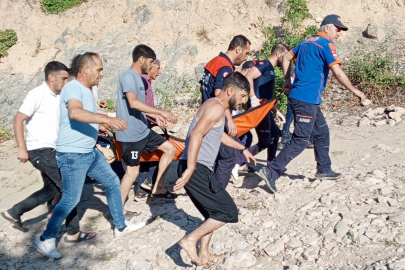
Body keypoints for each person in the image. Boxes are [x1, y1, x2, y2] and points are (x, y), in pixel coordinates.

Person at [34, 52, 145, 259]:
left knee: (112, 182)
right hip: (72, 154)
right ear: (86, 69)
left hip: (89, 151)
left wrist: (102, 124)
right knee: (70, 199)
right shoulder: (72, 87)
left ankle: (120, 227)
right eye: (99, 69)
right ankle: (45, 239)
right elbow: (75, 113)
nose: (101, 74)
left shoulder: (85, 89)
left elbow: (83, 119)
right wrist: (107, 120)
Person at [259, 15, 366, 193]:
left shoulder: (306, 42)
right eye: (337, 29)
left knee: (322, 132)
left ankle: (323, 169)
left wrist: (287, 79)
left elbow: (286, 57)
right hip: (305, 99)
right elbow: (338, 73)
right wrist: (355, 90)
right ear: (326, 28)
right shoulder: (326, 45)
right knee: (300, 140)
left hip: (307, 99)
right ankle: (271, 171)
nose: (339, 33)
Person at [1, 61, 96, 243]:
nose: (66, 82)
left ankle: (14, 212)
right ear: (51, 77)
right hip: (40, 150)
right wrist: (22, 148)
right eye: (63, 78)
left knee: (52, 188)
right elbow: (18, 119)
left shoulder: (59, 96)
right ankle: (73, 233)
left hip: (54, 149)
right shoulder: (37, 94)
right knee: (69, 189)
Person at [175, 72, 256, 266]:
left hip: (199, 168)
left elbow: (218, 135)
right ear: (230, 91)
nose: (243, 101)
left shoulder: (213, 104)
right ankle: (189, 240)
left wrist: (242, 148)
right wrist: (191, 168)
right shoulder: (216, 108)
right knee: (228, 212)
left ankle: (204, 254)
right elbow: (196, 134)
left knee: (212, 212)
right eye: (242, 96)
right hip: (197, 168)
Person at [115, 45, 178, 208]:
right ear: (141, 59)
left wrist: (155, 117)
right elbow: (133, 103)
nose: (152, 66)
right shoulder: (127, 76)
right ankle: (118, 214)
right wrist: (161, 112)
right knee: (132, 172)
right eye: (150, 62)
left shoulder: (140, 78)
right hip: (130, 135)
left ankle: (158, 187)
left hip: (143, 131)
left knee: (169, 149)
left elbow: (141, 108)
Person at [232, 43, 289, 182]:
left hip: (265, 108)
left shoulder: (270, 69)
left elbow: (266, 96)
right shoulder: (264, 64)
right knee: (265, 141)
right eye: (285, 55)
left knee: (275, 135)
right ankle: (236, 162)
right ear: (278, 54)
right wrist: (252, 97)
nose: (287, 59)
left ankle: (271, 165)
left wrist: (276, 111)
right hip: (258, 109)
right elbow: (248, 77)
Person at [200, 35, 251, 188]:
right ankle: (217, 193)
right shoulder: (225, 66)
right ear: (238, 49)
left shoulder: (215, 61)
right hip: (216, 117)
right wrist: (229, 120)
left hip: (207, 114)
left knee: (218, 154)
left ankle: (211, 186)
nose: (246, 57)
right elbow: (219, 94)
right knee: (229, 155)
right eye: (246, 53)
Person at [135, 59, 162, 201]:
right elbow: (140, 106)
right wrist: (157, 116)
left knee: (147, 157)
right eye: (158, 68)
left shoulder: (146, 81)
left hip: (146, 124)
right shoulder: (143, 81)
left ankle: (142, 187)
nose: (160, 71)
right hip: (142, 127)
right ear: (150, 67)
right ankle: (147, 183)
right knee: (160, 152)